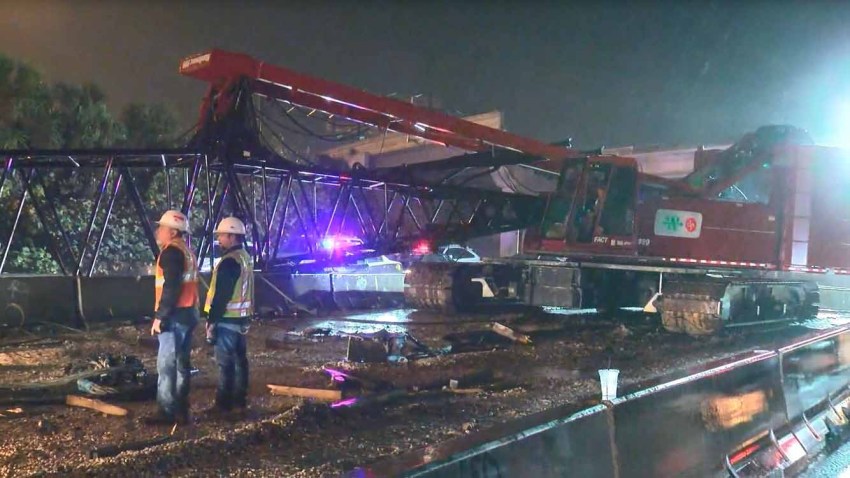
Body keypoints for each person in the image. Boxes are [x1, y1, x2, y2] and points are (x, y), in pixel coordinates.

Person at [145, 210, 199, 426]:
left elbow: (171, 288)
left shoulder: (171, 253)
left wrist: (160, 317)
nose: (158, 231)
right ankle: (181, 410)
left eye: (162, 227)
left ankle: (167, 411)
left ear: (173, 231)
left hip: (174, 315)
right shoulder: (187, 252)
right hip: (188, 313)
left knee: (166, 365)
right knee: (182, 363)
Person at [204, 217, 254, 416]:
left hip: (227, 319)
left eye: (222, 235)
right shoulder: (244, 257)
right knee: (241, 362)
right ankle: (239, 403)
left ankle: (223, 405)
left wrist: (211, 320)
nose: (219, 239)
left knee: (226, 364)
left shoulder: (229, 261)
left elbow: (222, 294)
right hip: (241, 320)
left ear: (232, 236)